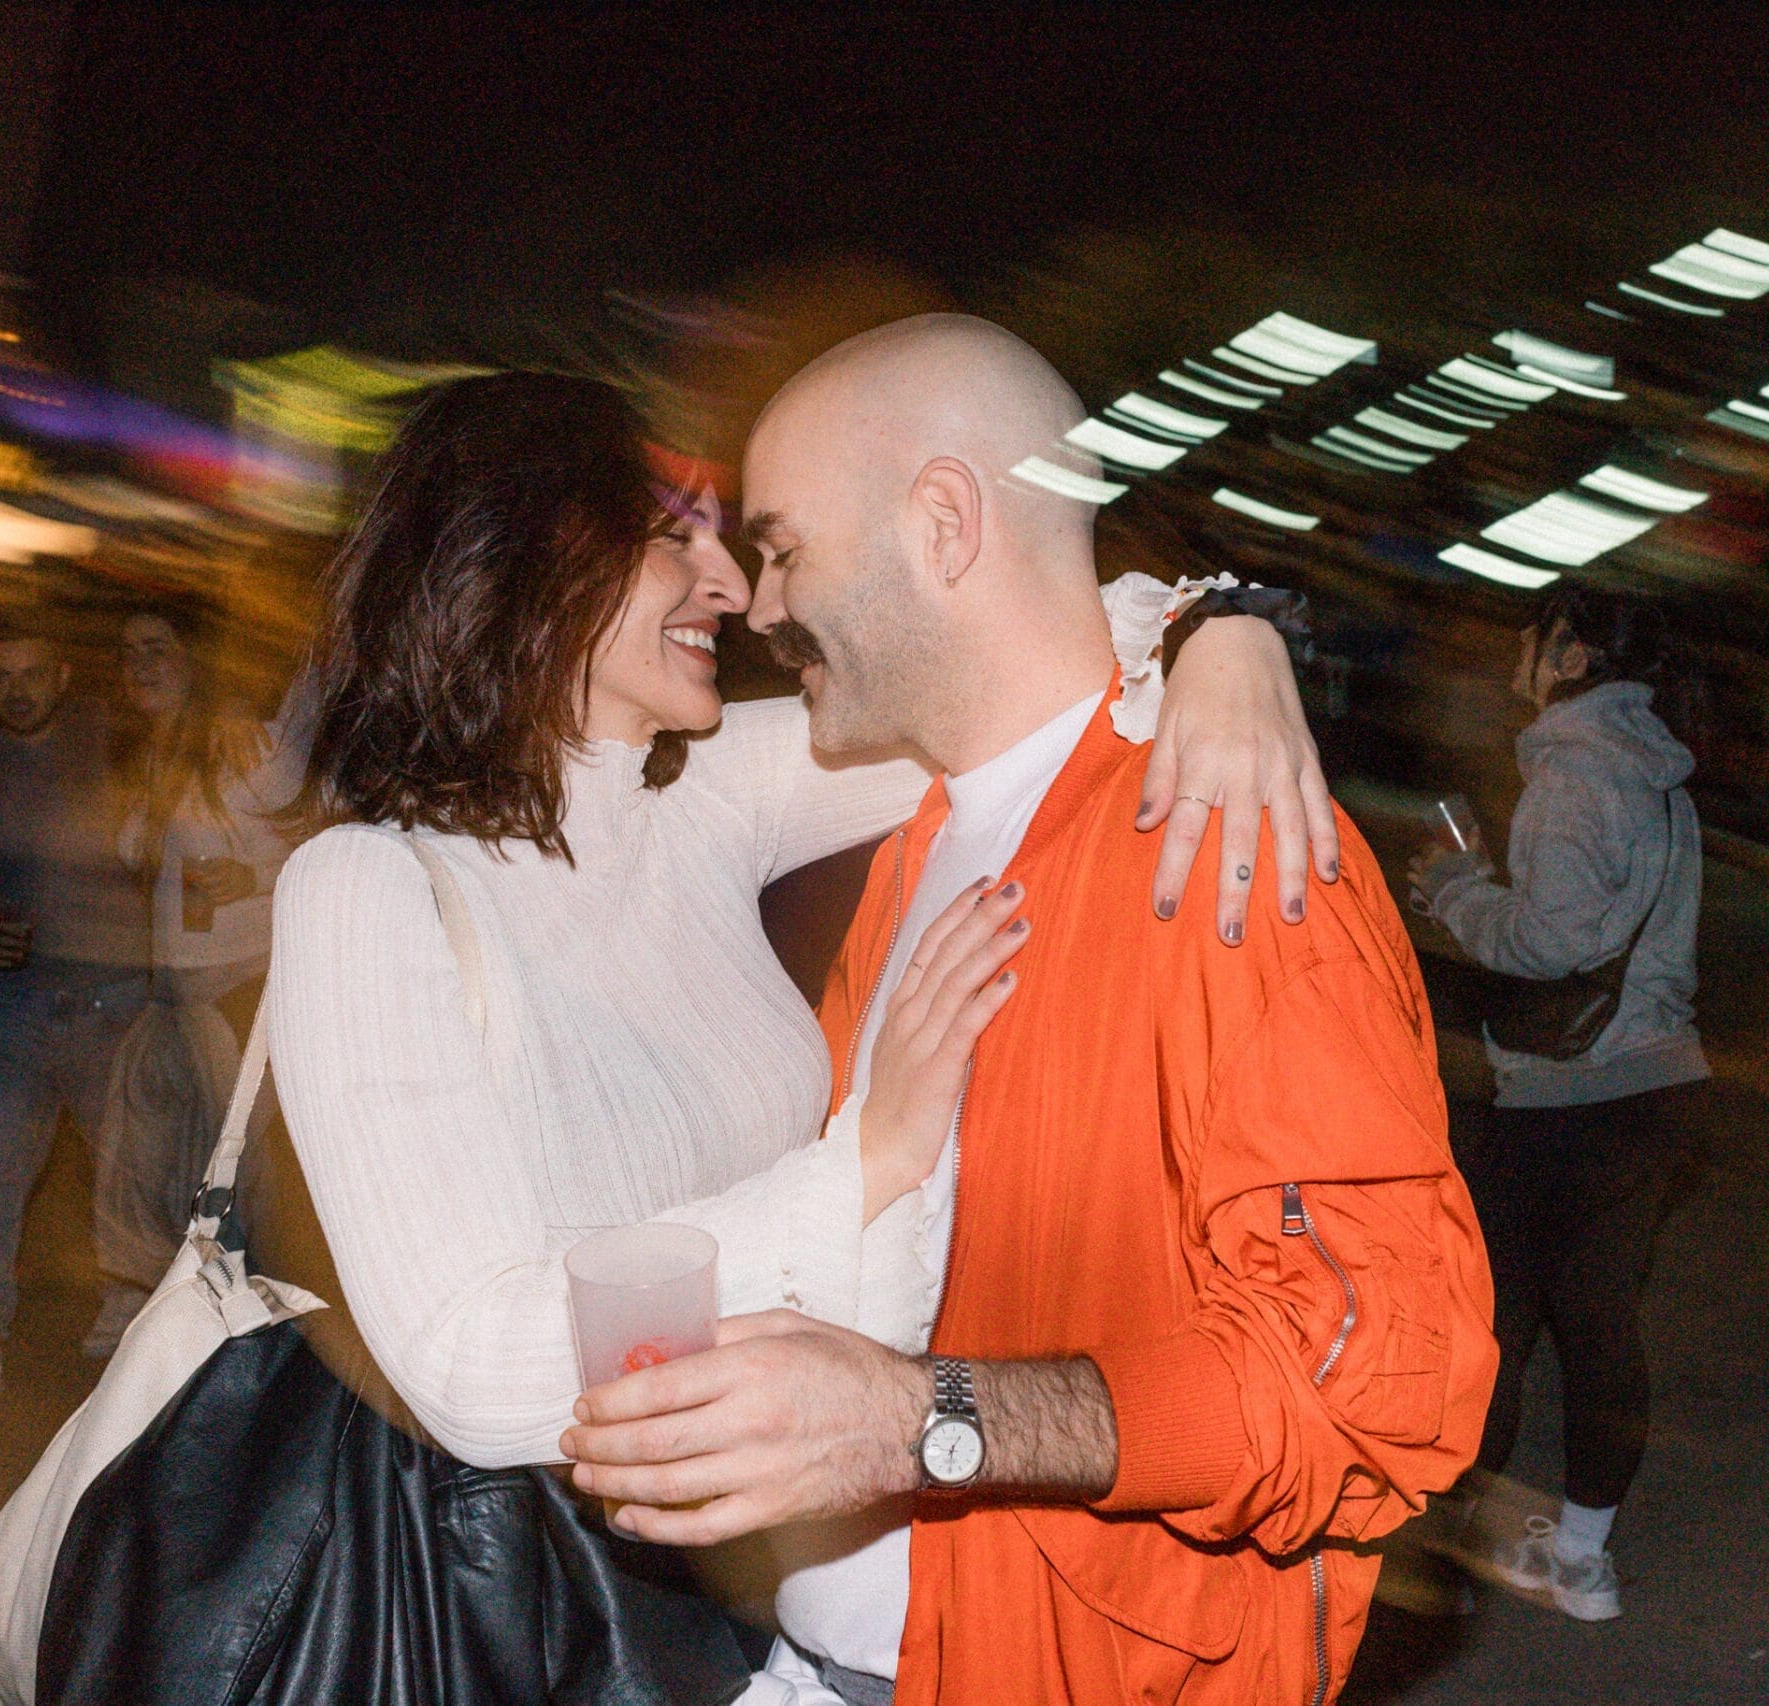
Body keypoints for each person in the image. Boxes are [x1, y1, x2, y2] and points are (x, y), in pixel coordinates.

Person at [33, 369, 1327, 1704]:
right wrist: (863, 1166)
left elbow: (1008, 676)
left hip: (760, 1574)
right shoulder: (369, 889)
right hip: (526, 1605)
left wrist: (1226, 634)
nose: (732, 587)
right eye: (677, 540)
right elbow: (473, 1363)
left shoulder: (701, 798)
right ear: (535, 566)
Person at [563, 316, 1496, 1706]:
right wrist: (1222, 615)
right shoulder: (913, 847)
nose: (760, 603)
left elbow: (1371, 1393)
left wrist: (920, 1422)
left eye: (784, 546)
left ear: (944, 522)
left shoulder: (1223, 847)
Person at [1409, 584, 1708, 1623]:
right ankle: (1582, 1552)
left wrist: (1454, 891)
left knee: (1490, 1312)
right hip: (1655, 1083)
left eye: (1527, 640)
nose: (1512, 657)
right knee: (1598, 1319)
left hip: (1567, 1101)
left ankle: (1437, 1526)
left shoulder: (1573, 775)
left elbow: (1550, 942)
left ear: (1572, 657)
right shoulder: (1659, 771)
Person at [0, 615, 152, 1395]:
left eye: (32, 674)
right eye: (0, 677)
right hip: (15, 1003)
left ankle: (130, 1303)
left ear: (63, 676)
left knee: (124, 1167)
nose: (17, 691)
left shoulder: (116, 742)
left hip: (119, 998)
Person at [84, 600, 303, 1356]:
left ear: (194, 661)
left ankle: (256, 1335)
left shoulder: (246, 744)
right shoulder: (145, 754)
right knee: (148, 1153)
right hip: (175, 989)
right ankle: (163, 1311)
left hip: (241, 986)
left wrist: (258, 874)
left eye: (157, 648)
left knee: (235, 1169)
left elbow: (336, 832)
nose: (139, 666)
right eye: (127, 652)